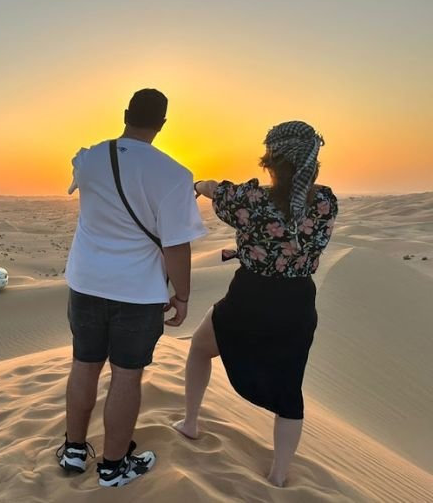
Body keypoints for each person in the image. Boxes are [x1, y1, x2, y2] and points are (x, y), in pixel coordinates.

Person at [173, 120, 338, 487]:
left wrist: (198, 186)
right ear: (314, 161)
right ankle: (279, 475)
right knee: (289, 389)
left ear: (269, 161)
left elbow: (215, 189)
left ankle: (190, 423)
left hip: (251, 296)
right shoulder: (326, 201)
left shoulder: (250, 201)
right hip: (296, 303)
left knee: (200, 348)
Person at [57, 88, 207, 487]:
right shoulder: (175, 175)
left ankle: (74, 451)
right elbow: (176, 245)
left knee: (83, 365)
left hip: (86, 284)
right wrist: (183, 296)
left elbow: (79, 180)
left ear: (125, 113)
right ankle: (112, 468)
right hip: (138, 293)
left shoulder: (88, 158)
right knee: (126, 376)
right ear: (162, 124)